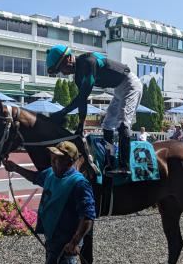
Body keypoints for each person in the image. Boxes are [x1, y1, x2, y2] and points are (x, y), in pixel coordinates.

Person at [46, 44, 142, 175]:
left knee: (123, 123)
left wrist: (62, 112)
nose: (63, 73)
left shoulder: (88, 62)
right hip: (118, 89)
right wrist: (81, 125)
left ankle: (125, 167)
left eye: (61, 68)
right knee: (107, 125)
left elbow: (83, 96)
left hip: (130, 84)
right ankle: (110, 161)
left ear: (68, 59)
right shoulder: (78, 77)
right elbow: (82, 101)